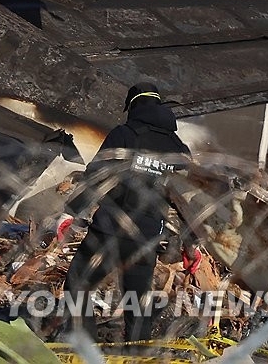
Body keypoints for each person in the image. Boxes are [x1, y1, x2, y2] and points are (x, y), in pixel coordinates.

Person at [58, 82, 200, 342]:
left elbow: (97, 175)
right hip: (146, 237)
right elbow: (186, 200)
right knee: (137, 303)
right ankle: (138, 356)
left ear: (132, 106)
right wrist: (193, 242)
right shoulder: (179, 150)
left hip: (109, 229)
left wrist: (70, 212)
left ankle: (81, 347)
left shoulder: (124, 134)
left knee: (79, 284)